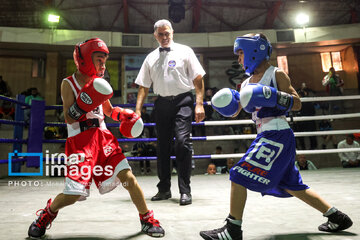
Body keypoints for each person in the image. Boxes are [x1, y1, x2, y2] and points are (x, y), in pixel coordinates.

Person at [200, 33, 352, 240]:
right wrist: (224, 103)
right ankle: (337, 217)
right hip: (265, 134)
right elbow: (237, 110)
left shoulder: (276, 74)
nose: (239, 59)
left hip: (277, 133)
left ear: (255, 51)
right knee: (292, 185)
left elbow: (297, 103)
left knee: (238, 174)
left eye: (241, 53)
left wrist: (274, 96)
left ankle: (233, 230)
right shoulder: (245, 84)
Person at [27, 38, 164, 238]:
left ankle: (147, 219)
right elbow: (68, 117)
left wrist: (124, 115)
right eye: (99, 60)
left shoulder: (100, 83)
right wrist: (85, 101)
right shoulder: (68, 83)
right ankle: (47, 214)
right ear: (85, 59)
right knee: (73, 194)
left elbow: (108, 111)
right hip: (80, 141)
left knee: (128, 178)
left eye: (104, 61)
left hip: (103, 138)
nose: (103, 65)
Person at [134, 19, 206, 206]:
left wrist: (199, 104)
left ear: (172, 33)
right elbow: (143, 86)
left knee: (182, 143)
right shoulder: (150, 57)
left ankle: (185, 190)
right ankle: (164, 189)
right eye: (161, 34)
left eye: (167, 33)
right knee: (163, 146)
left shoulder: (185, 51)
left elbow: (198, 79)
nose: (165, 37)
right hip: (162, 104)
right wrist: (137, 111)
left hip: (183, 100)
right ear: (155, 35)